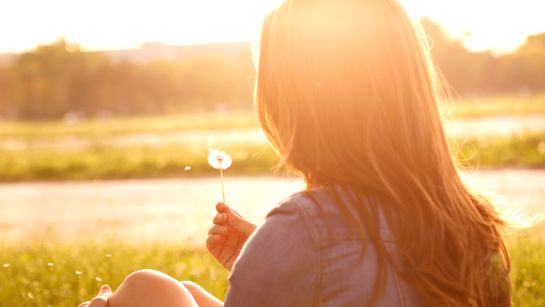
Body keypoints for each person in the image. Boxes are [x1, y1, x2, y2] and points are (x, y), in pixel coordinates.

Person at [79, 0, 511, 306]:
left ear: (296, 105)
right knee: (188, 291)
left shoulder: (304, 228)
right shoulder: (473, 225)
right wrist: (265, 259)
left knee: (146, 290)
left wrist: (283, 253)